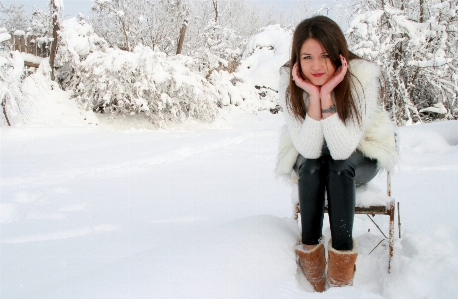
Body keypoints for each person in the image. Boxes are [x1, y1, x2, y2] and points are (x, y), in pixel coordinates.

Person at [275, 16, 398, 292]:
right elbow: (309, 149)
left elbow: (343, 150)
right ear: (297, 59)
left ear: (338, 53)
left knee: (338, 167)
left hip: (362, 151)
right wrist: (313, 96)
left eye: (325, 55)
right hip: (315, 152)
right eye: (307, 57)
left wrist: (327, 93)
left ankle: (342, 274)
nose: (316, 66)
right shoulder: (290, 80)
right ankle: (312, 267)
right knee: (311, 166)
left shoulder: (360, 76)